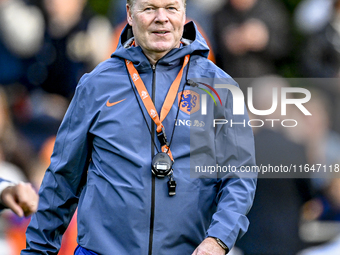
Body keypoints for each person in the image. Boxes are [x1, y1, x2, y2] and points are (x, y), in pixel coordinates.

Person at [22, 0, 257, 254]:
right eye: (149, 8)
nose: (161, 18)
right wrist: (36, 250)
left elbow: (239, 177)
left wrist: (218, 240)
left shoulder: (219, 86)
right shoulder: (95, 85)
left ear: (184, 12)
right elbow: (62, 180)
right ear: (129, 14)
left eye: (171, 8)